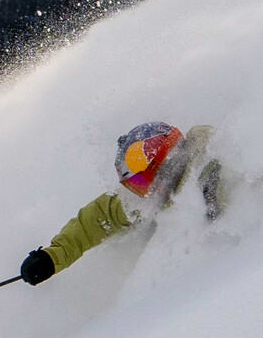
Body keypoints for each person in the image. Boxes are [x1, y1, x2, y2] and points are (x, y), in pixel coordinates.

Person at [19, 120, 225, 285]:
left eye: (142, 181)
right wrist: (53, 257)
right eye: (135, 185)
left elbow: (228, 179)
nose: (143, 192)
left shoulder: (211, 154)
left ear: (164, 164)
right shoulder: (148, 203)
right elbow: (95, 220)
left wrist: (211, 196)